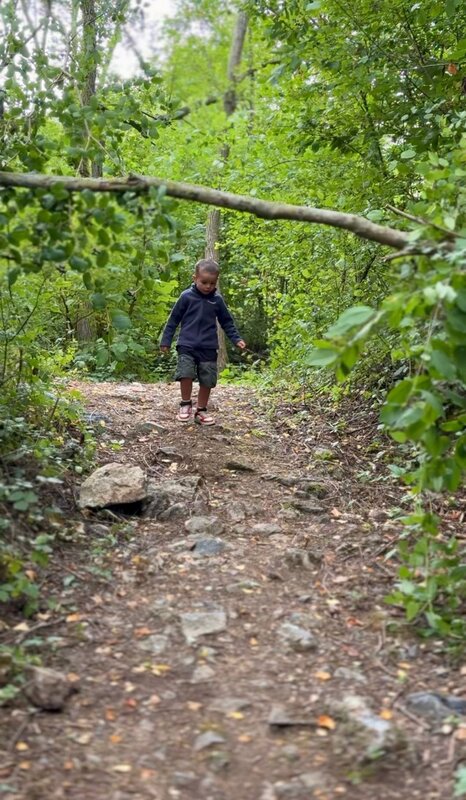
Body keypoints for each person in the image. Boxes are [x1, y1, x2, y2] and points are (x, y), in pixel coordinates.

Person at [160, 258, 246, 425]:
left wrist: (236, 339)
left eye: (212, 283)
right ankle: (185, 404)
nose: (208, 286)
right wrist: (166, 340)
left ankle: (201, 410)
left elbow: (226, 322)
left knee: (207, 379)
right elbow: (173, 320)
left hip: (208, 346)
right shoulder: (186, 297)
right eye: (204, 282)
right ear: (195, 279)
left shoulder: (217, 300)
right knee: (186, 373)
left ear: (216, 282)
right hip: (187, 344)